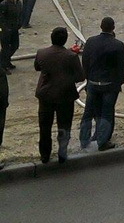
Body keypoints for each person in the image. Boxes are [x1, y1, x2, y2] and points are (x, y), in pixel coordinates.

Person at [34, 27, 84, 163]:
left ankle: (45, 155)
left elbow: (37, 67)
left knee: (44, 127)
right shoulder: (71, 56)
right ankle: (62, 153)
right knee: (64, 126)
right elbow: (80, 76)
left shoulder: (42, 53)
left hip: (46, 95)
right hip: (65, 96)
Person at [79, 17, 124, 151]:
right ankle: (102, 141)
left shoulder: (91, 41)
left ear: (100, 26)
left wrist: (88, 79)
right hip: (109, 85)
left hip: (93, 83)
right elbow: (121, 67)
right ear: (113, 28)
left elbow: (85, 62)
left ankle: (84, 140)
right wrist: (118, 84)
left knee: (88, 112)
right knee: (106, 113)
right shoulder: (118, 44)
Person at [0, 0, 22, 74]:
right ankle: (3, 66)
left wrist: (19, 24)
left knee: (15, 45)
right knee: (5, 48)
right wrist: (5, 28)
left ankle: (6, 61)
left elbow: (20, 15)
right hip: (5, 30)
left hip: (14, 29)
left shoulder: (19, 4)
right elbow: (1, 18)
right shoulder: (4, 4)